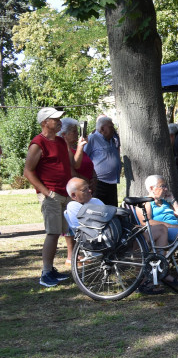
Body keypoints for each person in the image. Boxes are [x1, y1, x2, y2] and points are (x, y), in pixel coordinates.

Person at [24, 107, 74, 287]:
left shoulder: (60, 141)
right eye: (56, 119)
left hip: (65, 193)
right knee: (52, 233)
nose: (60, 121)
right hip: (51, 194)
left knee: (63, 231)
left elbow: (69, 165)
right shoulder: (38, 143)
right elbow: (28, 171)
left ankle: (51, 270)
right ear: (45, 122)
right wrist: (46, 192)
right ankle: (45, 273)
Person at [85, 114, 123, 206]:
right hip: (99, 183)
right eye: (111, 127)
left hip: (112, 183)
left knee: (112, 210)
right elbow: (84, 158)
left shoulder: (112, 140)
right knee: (99, 210)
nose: (113, 128)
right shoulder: (92, 139)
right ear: (102, 129)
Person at [60, 118, 94, 189]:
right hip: (78, 188)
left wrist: (94, 179)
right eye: (74, 131)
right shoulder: (63, 150)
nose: (78, 133)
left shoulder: (77, 148)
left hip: (88, 187)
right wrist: (85, 182)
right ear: (64, 134)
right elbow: (71, 171)